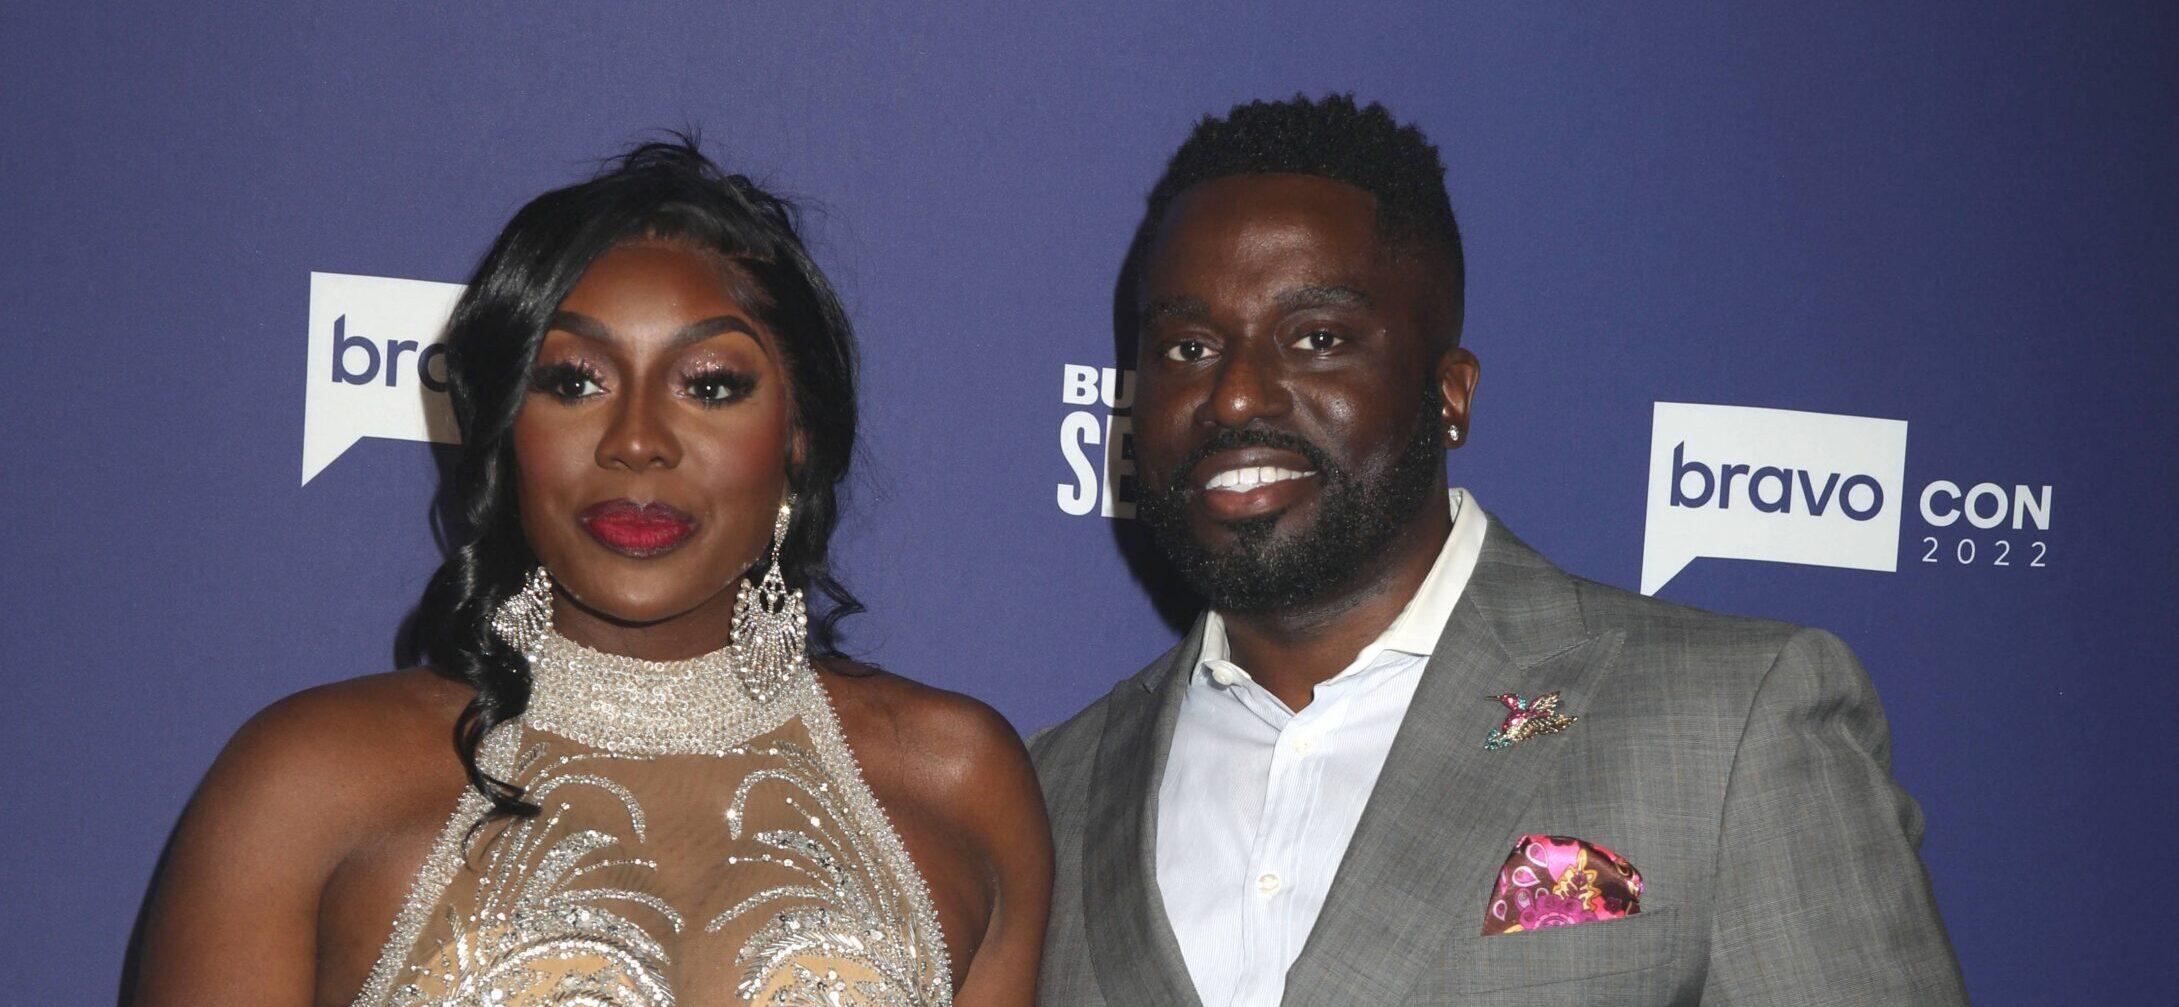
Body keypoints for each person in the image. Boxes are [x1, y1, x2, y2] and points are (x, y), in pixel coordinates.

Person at [1030, 95, 1966, 1005]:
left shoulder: (1731, 726)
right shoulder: (1051, 791)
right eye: (1187, 348)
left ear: (1450, 395)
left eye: (1315, 338)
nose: (1234, 396)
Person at [131, 141, 1050, 1007]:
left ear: (798, 437)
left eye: (710, 383)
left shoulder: (959, 780)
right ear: (504, 431)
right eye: (574, 381)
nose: (637, 441)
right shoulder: (306, 782)